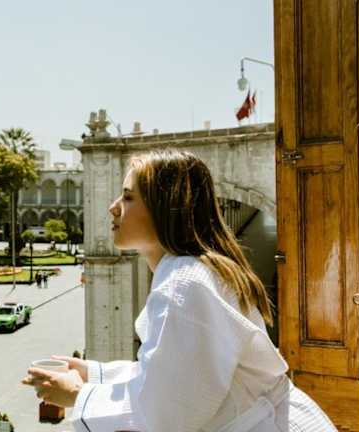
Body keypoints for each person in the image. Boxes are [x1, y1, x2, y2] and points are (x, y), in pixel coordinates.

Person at [22, 151, 337, 431]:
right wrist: (95, 373)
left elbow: (169, 415)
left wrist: (78, 394)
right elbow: (173, 376)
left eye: (128, 198)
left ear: (166, 208)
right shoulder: (190, 272)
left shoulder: (184, 284)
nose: (113, 207)